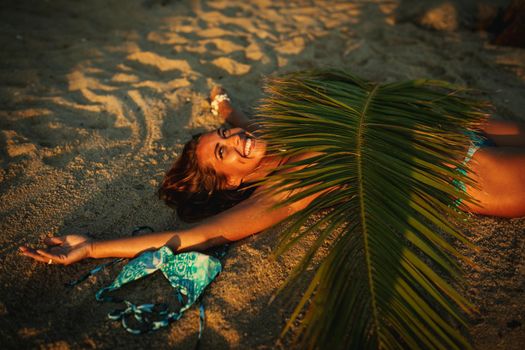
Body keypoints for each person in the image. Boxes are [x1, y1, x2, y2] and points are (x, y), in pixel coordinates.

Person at [20, 87, 525, 265]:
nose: (235, 140)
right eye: (223, 150)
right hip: (469, 170)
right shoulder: (287, 187)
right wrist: (94, 246)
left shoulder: (270, 143)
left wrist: (228, 110)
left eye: (222, 133)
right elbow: (196, 235)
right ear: (233, 184)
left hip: (455, 131)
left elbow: (246, 135)